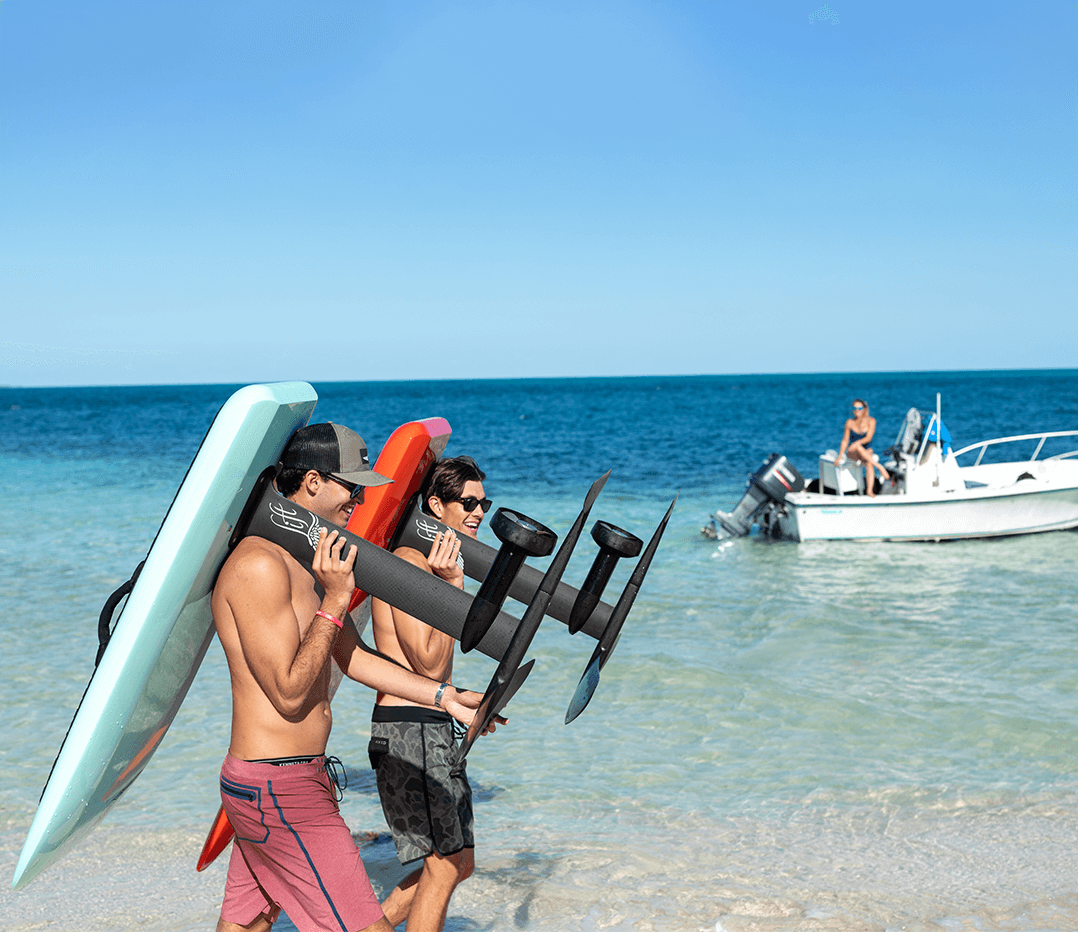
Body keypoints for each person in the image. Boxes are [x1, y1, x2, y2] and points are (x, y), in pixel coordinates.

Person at [212, 424, 489, 932]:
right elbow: (289, 692)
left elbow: (354, 658)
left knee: (249, 923)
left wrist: (445, 697)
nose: (359, 501)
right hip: (279, 787)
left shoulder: (302, 564)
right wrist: (337, 600)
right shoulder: (258, 565)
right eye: (351, 487)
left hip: (289, 779)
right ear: (312, 482)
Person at [369, 455, 493, 932]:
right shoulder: (409, 562)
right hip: (409, 731)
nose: (479, 512)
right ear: (434, 505)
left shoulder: (423, 563)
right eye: (468, 502)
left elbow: (431, 673)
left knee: (459, 862)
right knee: (444, 864)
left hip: (426, 725)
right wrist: (455, 585)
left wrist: (467, 699)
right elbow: (429, 662)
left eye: (484, 502)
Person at [834, 399, 890, 496]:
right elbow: (845, 440)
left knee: (868, 462)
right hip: (852, 451)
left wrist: (858, 443)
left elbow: (868, 438)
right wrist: (840, 455)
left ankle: (869, 491)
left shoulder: (871, 421)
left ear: (864, 409)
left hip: (865, 451)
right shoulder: (850, 422)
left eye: (859, 408)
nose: (856, 410)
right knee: (859, 447)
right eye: (854, 408)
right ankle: (880, 467)